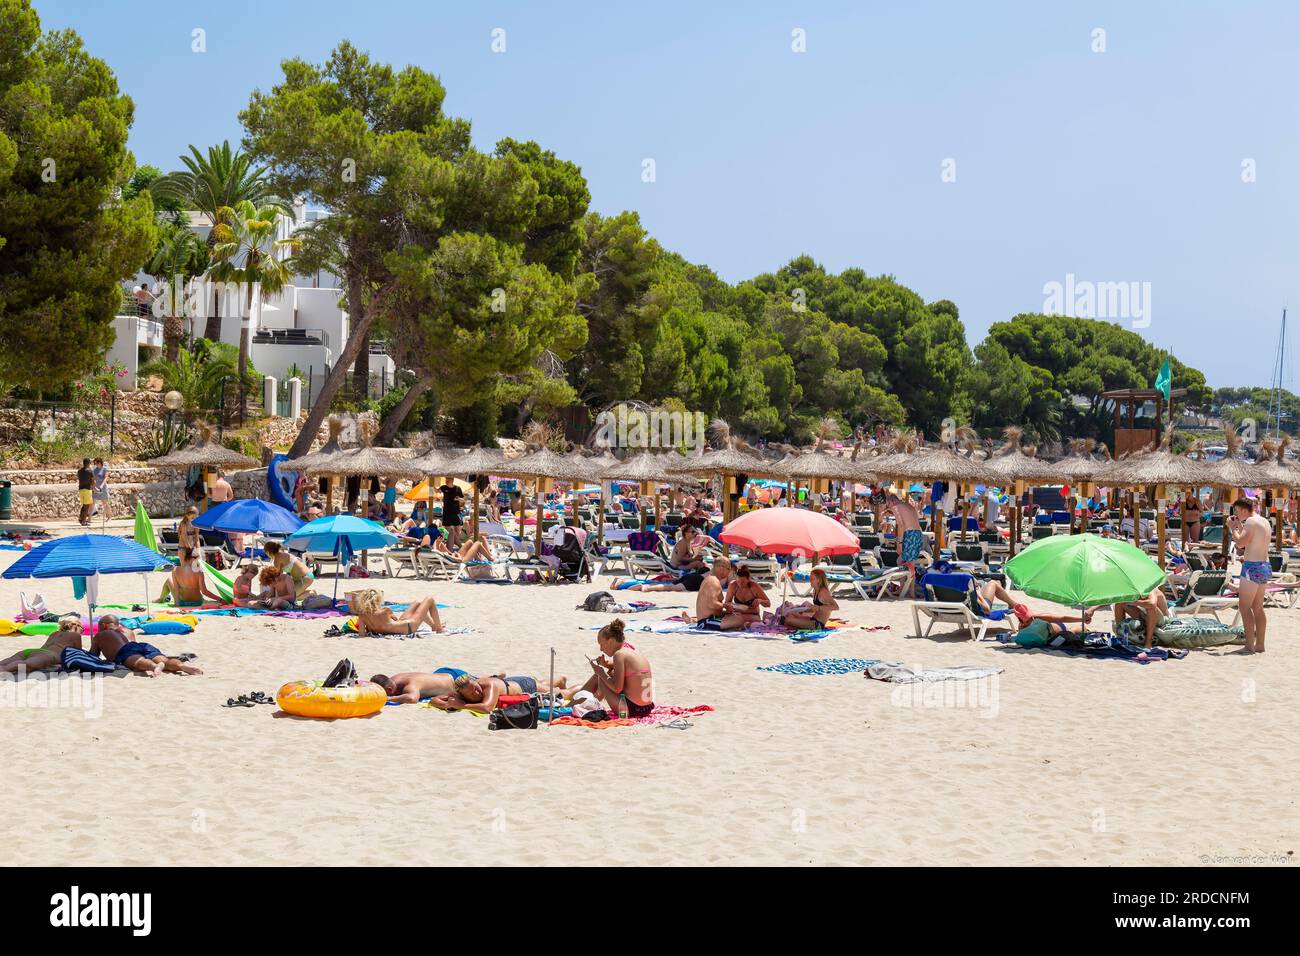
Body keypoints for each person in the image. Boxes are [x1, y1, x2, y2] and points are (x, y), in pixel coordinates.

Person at [565, 618, 654, 717]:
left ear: (611, 641)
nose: (601, 649)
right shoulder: (630, 649)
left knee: (600, 677)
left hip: (632, 710)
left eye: (601, 644)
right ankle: (578, 703)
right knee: (609, 673)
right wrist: (606, 665)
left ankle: (572, 706)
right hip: (646, 708)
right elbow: (629, 670)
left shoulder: (619, 655)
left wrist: (601, 672)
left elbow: (617, 688)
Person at [91, 615, 202, 677]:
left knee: (137, 662)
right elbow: (134, 646)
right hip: (142, 646)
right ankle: (182, 667)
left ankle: (154, 667)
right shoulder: (128, 630)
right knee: (163, 659)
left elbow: (93, 655)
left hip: (126, 650)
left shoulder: (101, 634)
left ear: (103, 625)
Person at [1229, 497, 1271, 653]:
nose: (1237, 514)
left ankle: (1249, 645)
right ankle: (1260, 644)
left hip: (1251, 567)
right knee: (1258, 608)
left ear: (1243, 509)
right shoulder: (1264, 521)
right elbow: (1251, 539)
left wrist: (1233, 527)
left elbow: (1240, 544)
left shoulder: (1251, 522)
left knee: (1244, 607)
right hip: (1264, 566)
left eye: (1237, 511)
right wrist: (1239, 525)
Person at [428, 671, 567, 714]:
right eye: (471, 694)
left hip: (524, 686)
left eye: (476, 687)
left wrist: (462, 706)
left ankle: (560, 680)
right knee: (544, 684)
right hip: (508, 683)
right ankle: (557, 680)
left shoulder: (489, 685)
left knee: (561, 694)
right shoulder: (460, 692)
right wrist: (447, 704)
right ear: (462, 694)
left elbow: (487, 708)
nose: (476, 693)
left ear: (476, 682)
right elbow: (433, 700)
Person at [1, 616, 84, 675]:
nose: (82, 631)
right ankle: (4, 670)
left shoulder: (55, 633)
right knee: (26, 665)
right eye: (82, 628)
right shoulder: (76, 636)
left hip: (34, 651)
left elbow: (45, 647)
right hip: (49, 655)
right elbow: (78, 656)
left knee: (9, 660)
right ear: (76, 626)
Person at [350, 588, 444, 635]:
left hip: (398, 626)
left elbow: (362, 634)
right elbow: (394, 620)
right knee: (429, 599)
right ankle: (439, 629)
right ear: (377, 600)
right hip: (409, 627)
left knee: (418, 603)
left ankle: (433, 626)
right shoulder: (385, 611)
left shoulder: (362, 615)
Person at [159, 547, 224, 607]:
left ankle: (160, 599)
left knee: (169, 580)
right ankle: (161, 599)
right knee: (171, 581)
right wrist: (220, 599)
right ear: (193, 558)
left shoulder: (175, 570)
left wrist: (177, 604)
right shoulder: (199, 572)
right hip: (197, 602)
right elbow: (204, 591)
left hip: (182, 602)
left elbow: (176, 590)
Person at [369, 669, 477, 703]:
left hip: (456, 681)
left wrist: (389, 698)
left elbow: (412, 699)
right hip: (441, 674)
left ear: (389, 689)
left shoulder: (409, 685)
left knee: (482, 681)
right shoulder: (394, 679)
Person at [684, 557, 731, 626]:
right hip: (707, 621)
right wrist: (725, 606)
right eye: (728, 569)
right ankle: (694, 620)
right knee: (740, 621)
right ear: (721, 568)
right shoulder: (713, 581)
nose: (729, 572)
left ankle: (693, 620)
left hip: (705, 619)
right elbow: (712, 604)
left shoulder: (710, 579)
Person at [723, 563, 770, 629]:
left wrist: (760, 601)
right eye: (738, 581)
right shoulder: (733, 585)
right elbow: (726, 603)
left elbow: (768, 604)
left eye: (743, 582)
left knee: (738, 620)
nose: (740, 584)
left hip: (752, 614)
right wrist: (730, 606)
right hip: (738, 613)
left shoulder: (754, 586)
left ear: (748, 579)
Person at [886, 492, 924, 565]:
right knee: (910, 563)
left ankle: (909, 576)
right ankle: (912, 576)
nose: (889, 508)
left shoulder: (896, 507)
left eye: (888, 505)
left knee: (901, 562)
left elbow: (901, 525)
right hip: (918, 534)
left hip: (910, 534)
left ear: (891, 501)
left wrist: (899, 543)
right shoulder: (908, 505)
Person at [438, 481, 465, 547]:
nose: (447, 480)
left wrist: (458, 499)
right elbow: (437, 491)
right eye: (446, 478)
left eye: (448, 478)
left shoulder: (458, 488)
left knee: (457, 533)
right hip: (447, 514)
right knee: (450, 532)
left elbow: (463, 501)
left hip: (456, 513)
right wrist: (432, 486)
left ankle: (457, 547)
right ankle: (458, 547)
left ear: (452, 479)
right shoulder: (444, 487)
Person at [76, 458, 94, 525]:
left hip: (81, 489)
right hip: (87, 489)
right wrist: (94, 488)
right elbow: (93, 481)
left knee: (84, 505)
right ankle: (83, 521)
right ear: (88, 463)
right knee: (87, 506)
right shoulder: (90, 471)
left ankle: (81, 519)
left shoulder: (79, 471)